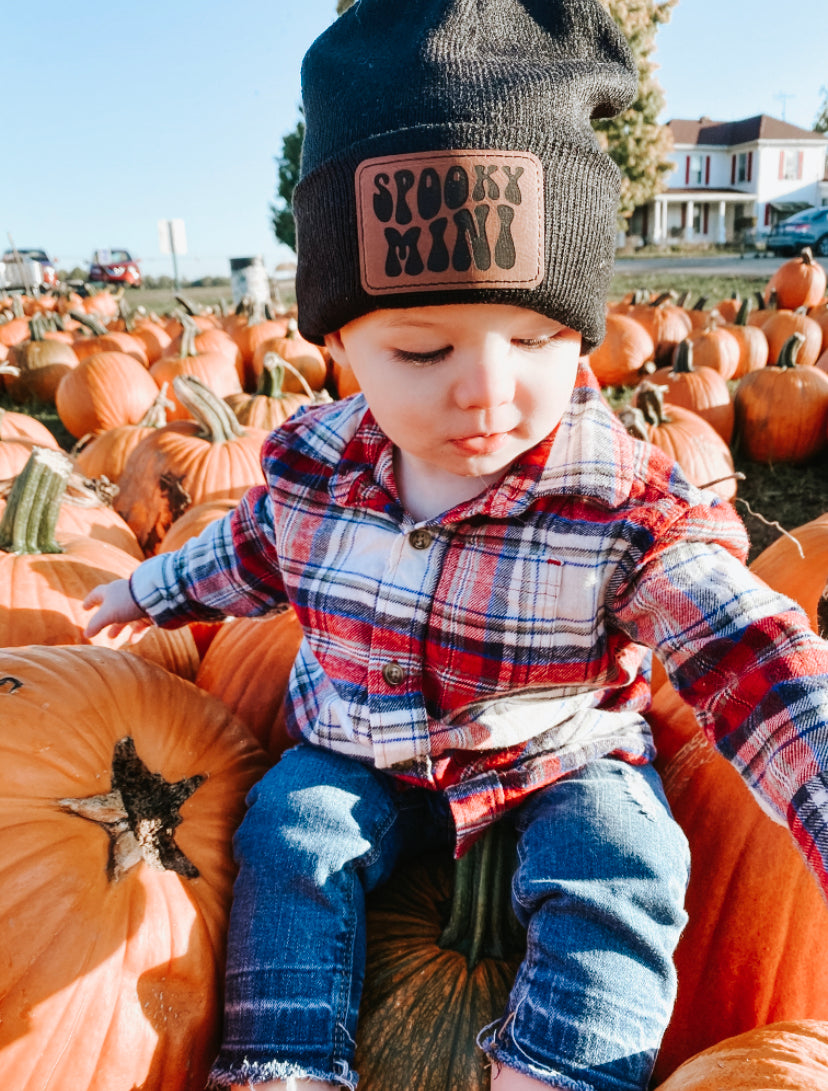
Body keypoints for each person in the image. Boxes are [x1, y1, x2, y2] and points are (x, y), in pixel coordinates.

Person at [84, 1, 828, 1088]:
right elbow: (246, 551)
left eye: (535, 339)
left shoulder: (616, 497)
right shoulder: (312, 469)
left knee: (626, 856)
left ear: (580, 329)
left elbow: (743, 645)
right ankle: (282, 1059)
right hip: (359, 748)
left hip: (552, 756)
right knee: (292, 833)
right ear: (339, 339)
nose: (487, 391)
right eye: (424, 348)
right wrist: (148, 590)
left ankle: (562, 1065)